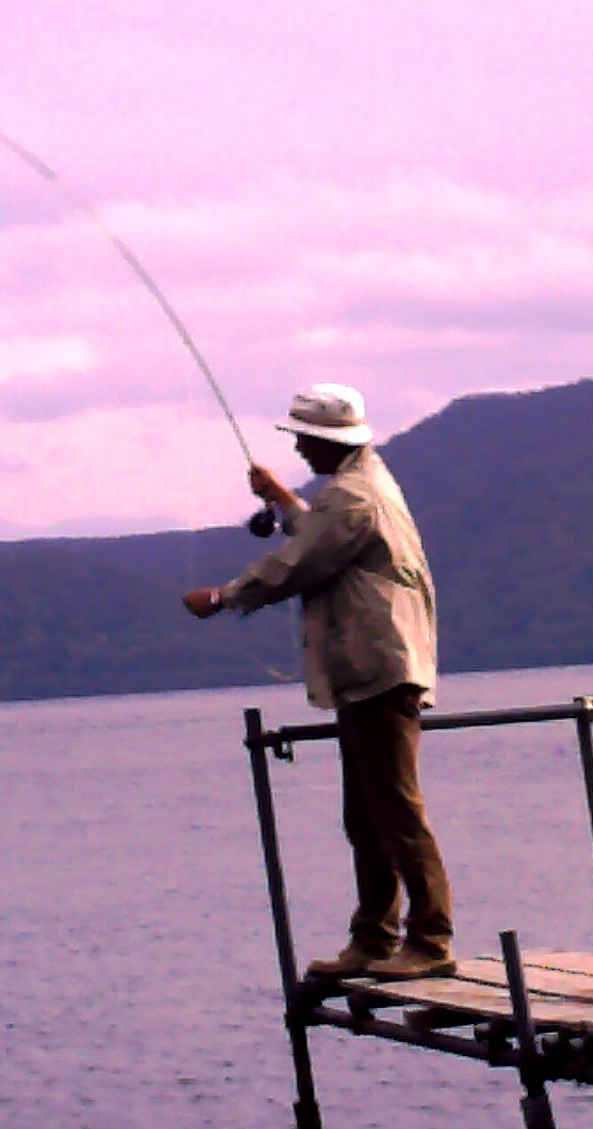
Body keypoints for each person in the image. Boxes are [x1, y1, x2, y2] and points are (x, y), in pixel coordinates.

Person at [183, 382, 454, 981]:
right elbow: (319, 536)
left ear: (332, 441)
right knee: (367, 815)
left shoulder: (353, 498)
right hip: (370, 669)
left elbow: (293, 564)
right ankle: (375, 939)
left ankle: (430, 941)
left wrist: (221, 597)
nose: (302, 449)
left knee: (396, 810)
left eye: (307, 439)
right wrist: (282, 499)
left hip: (380, 669)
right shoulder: (360, 488)